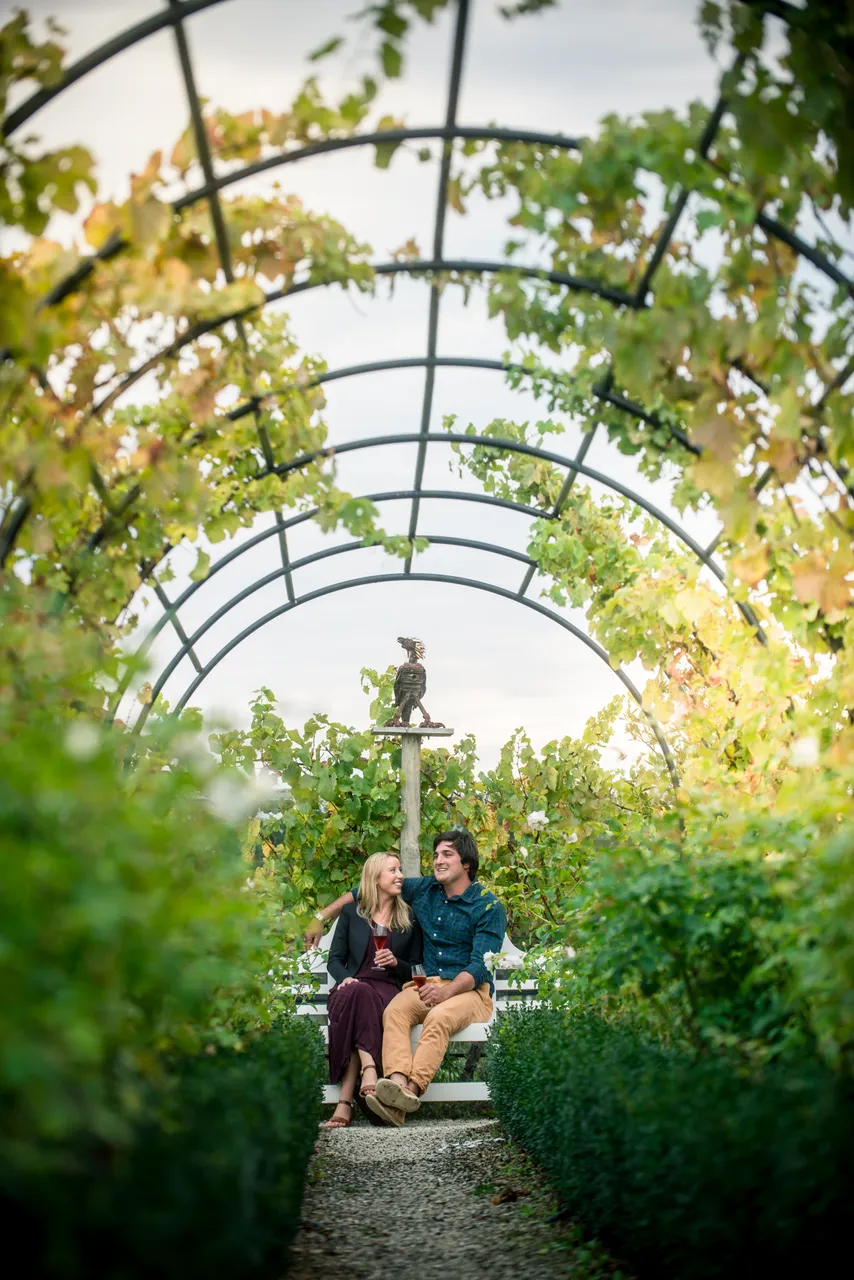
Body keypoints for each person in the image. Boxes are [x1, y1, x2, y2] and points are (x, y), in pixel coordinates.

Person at [306, 830, 506, 1128]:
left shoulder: (488, 907)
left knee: (438, 1016)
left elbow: (479, 967)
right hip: (425, 983)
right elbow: (365, 889)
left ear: (467, 863)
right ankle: (395, 1086)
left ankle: (410, 1091)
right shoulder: (427, 889)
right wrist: (321, 918)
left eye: (447, 854)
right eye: (436, 854)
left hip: (469, 992)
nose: (438, 860)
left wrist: (446, 992)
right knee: (394, 1011)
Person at [320, 851, 423, 1129]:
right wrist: (345, 979)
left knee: (364, 998)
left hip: (387, 990)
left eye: (400, 869)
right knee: (358, 993)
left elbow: (417, 967)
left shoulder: (408, 917)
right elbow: (335, 960)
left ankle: (345, 1102)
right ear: (375, 877)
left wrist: (396, 962)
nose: (400, 875)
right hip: (350, 987)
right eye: (393, 870)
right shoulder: (352, 913)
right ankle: (370, 1070)